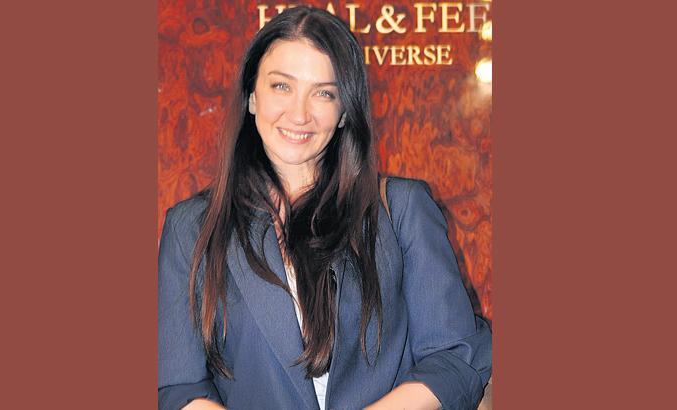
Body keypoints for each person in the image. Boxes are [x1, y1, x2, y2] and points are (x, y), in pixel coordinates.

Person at [159, 6, 491, 410]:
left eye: (324, 93)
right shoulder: (191, 227)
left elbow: (455, 358)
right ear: (252, 96)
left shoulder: (401, 209)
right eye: (282, 86)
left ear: (344, 111)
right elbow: (179, 386)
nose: (299, 114)